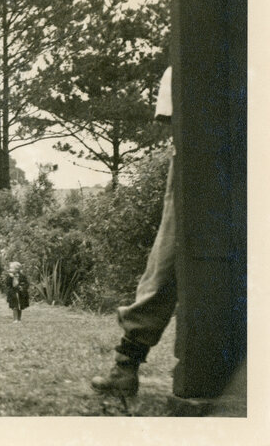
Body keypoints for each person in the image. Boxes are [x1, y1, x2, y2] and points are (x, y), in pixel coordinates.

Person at [92, 66, 176, 398]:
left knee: (167, 261)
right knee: (168, 258)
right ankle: (126, 364)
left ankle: (126, 365)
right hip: (205, 164)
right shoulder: (181, 67)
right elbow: (176, 127)